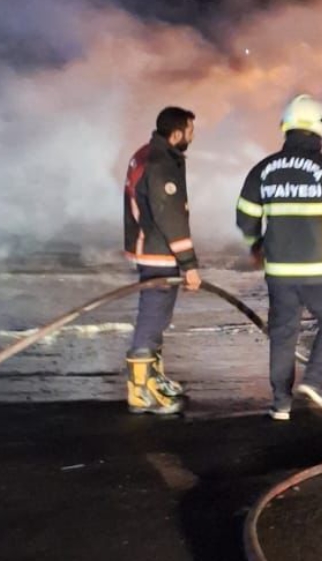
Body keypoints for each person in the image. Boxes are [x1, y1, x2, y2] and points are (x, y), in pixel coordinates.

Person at [236, 94, 322, 420]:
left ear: (286, 128)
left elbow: (245, 216)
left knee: (283, 334)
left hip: (280, 272)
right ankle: (313, 381)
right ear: (321, 131)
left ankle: (280, 403)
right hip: (321, 272)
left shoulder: (264, 169)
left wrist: (256, 245)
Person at [122, 106, 201, 415]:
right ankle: (139, 392)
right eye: (191, 131)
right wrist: (190, 264)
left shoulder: (147, 154)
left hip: (152, 247)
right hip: (158, 250)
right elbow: (170, 217)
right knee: (152, 318)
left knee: (158, 318)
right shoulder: (161, 163)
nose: (193, 137)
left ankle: (153, 379)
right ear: (177, 132)